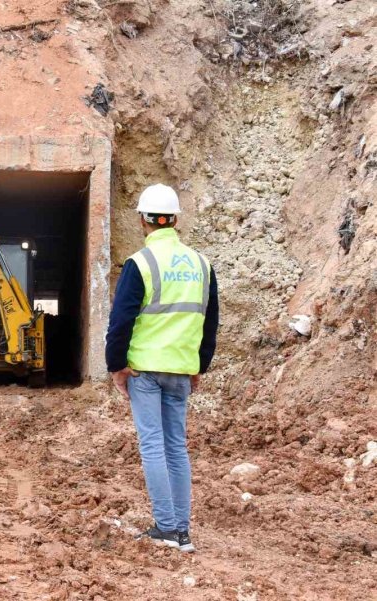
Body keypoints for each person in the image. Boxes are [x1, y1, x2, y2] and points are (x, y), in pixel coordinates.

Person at [105, 183, 219, 553]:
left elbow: (121, 319)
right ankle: (181, 530)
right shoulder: (202, 265)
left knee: (153, 445)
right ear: (175, 220)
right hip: (181, 370)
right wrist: (199, 364)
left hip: (146, 370)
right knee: (176, 447)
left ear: (143, 219)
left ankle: (167, 528)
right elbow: (209, 321)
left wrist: (116, 365)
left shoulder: (141, 263)